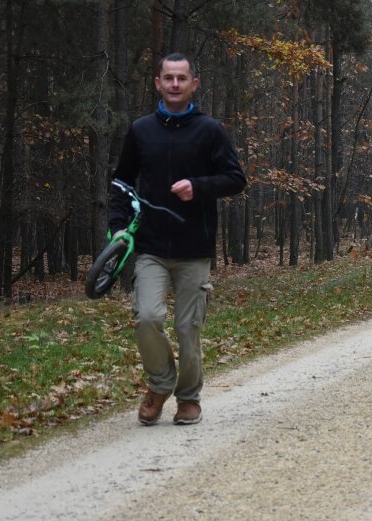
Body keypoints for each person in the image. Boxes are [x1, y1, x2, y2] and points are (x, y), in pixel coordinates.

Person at [109, 52, 247, 426]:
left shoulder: (210, 130)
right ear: (157, 83)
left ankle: (189, 398)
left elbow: (236, 178)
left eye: (181, 78)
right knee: (147, 317)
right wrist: (118, 226)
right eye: (167, 78)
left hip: (194, 248)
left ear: (193, 84)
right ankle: (160, 384)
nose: (174, 84)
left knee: (188, 329)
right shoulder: (141, 130)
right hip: (150, 247)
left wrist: (198, 187)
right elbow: (121, 183)